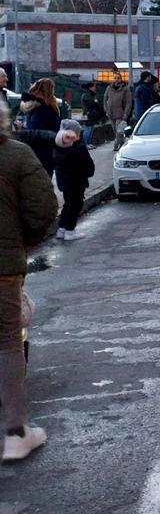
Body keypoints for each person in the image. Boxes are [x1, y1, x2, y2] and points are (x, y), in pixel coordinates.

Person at [0, 102, 58, 462]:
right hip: (3, 266)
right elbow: (44, 208)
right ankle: (17, 432)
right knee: (7, 342)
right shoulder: (16, 155)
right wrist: (24, 243)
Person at [52, 119, 94, 241]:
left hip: (64, 182)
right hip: (77, 181)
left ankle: (62, 228)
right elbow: (88, 166)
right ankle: (70, 230)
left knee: (68, 203)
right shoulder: (79, 148)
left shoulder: (58, 146)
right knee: (76, 204)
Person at [19, 79, 60, 178]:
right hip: (43, 154)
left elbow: (33, 131)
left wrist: (23, 129)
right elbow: (38, 134)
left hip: (36, 154)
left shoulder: (34, 107)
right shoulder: (45, 110)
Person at [104, 75, 133, 149]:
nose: (117, 80)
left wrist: (126, 113)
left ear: (121, 79)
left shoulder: (125, 89)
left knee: (119, 130)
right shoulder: (109, 88)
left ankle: (117, 143)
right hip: (111, 113)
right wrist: (106, 109)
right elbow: (105, 99)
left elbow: (128, 102)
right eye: (115, 78)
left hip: (121, 113)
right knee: (115, 130)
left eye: (118, 78)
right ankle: (121, 142)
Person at [79, 82, 104, 148]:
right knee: (88, 129)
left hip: (92, 114)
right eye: (94, 87)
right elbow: (92, 103)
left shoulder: (91, 95)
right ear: (90, 87)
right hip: (88, 114)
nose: (95, 88)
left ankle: (89, 143)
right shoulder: (86, 95)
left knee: (91, 129)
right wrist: (96, 102)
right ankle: (86, 144)